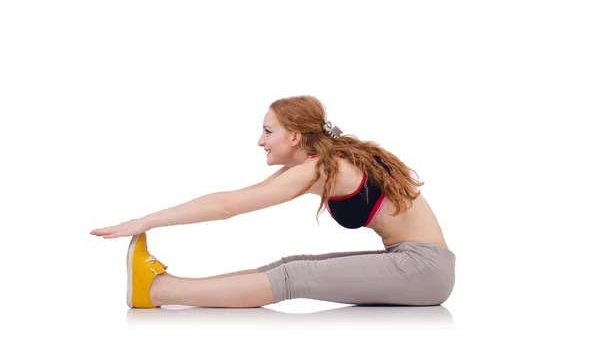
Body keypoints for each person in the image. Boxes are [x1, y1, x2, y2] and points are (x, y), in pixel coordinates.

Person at [90, 95, 456, 309]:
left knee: (296, 276)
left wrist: (146, 221)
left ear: (295, 137)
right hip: (416, 265)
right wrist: (150, 219)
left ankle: (157, 291)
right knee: (292, 265)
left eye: (268, 131)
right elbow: (234, 199)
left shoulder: (321, 170)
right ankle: (165, 284)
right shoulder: (325, 162)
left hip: (423, 270)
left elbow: (226, 207)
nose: (260, 141)